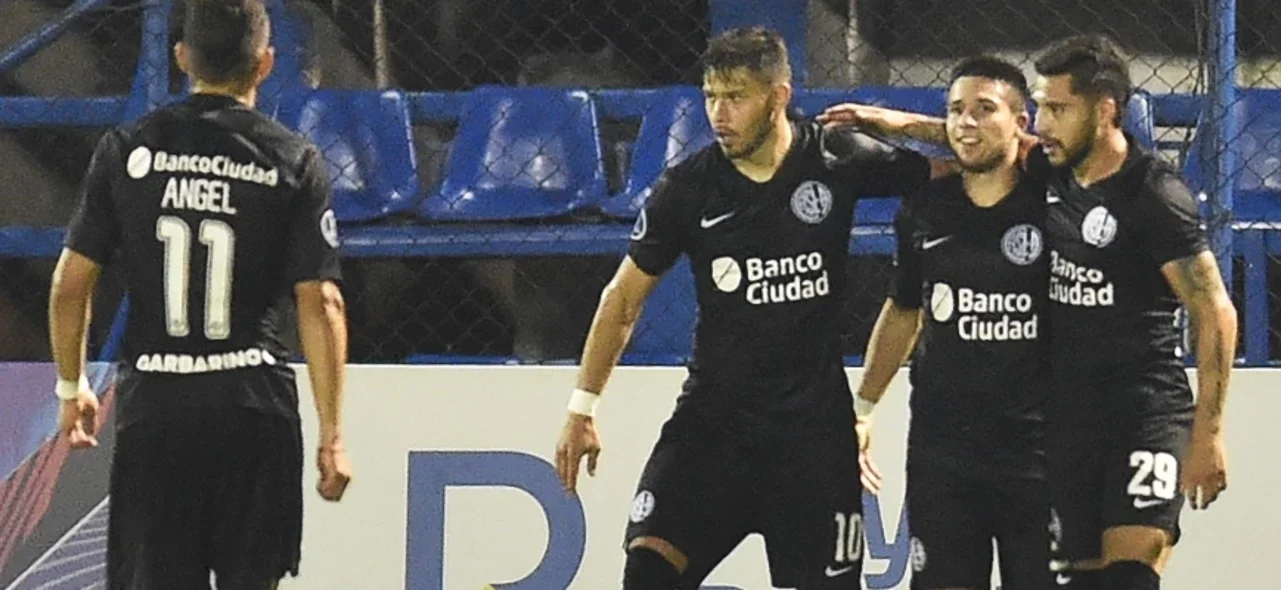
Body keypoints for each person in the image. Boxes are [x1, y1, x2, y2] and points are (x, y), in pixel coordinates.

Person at [820, 34, 1236, 590]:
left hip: (1140, 410)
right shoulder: (1052, 170)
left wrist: (1208, 432)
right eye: (1040, 107)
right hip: (1062, 426)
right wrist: (890, 122)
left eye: (1057, 108)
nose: (1042, 122)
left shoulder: (1150, 193)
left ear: (1105, 110)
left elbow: (1214, 308)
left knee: (1129, 574)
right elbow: (981, 136)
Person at [552, 26, 946, 590]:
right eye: (710, 96)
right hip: (711, 431)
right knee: (647, 573)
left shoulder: (835, 156)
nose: (718, 112)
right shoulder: (686, 188)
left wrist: (904, 125)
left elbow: (970, 161)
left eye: (735, 96)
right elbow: (622, 301)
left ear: (779, 96)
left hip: (813, 441)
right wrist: (581, 407)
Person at [49, 0, 353, 588]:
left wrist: (72, 385)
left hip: (158, 409)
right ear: (265, 64)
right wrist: (333, 433)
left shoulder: (127, 149)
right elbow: (322, 303)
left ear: (183, 57)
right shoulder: (293, 159)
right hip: (253, 406)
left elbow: (72, 282)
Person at [854, 55, 1052, 590]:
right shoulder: (924, 209)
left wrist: (900, 123)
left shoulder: (1056, 204)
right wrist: (864, 410)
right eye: (955, 112)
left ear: (1023, 122)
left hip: (1041, 451)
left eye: (985, 110)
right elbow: (902, 311)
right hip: (944, 450)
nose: (965, 123)